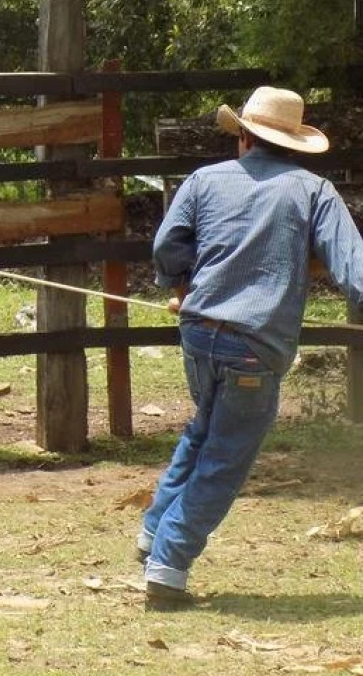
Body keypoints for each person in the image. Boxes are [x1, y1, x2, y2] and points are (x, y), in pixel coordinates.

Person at [140, 85, 363, 609]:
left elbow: (165, 247)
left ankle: (153, 532)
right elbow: (354, 269)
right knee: (224, 456)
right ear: (295, 144)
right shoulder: (314, 192)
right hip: (255, 347)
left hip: (197, 334)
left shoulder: (203, 181)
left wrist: (179, 286)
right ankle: (168, 563)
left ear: (243, 136)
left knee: (203, 433)